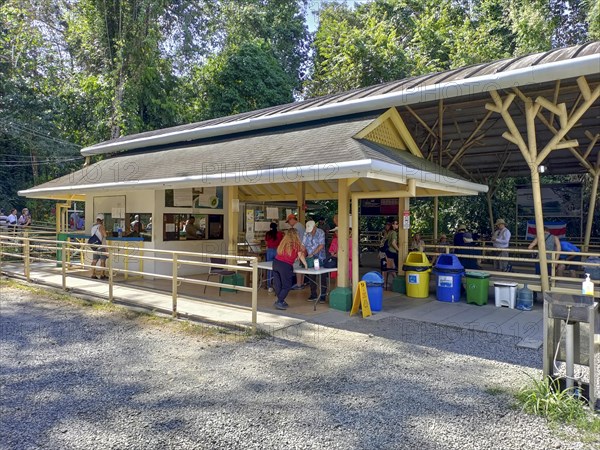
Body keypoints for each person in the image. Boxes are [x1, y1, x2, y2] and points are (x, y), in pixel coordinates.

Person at [272, 228, 307, 310]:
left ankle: (281, 300)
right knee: (287, 285)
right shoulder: (296, 244)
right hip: (285, 265)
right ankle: (279, 301)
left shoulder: (283, 243)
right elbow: (301, 255)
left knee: (278, 284)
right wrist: (305, 264)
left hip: (276, 263)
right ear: (296, 235)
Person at [301, 220, 328, 302]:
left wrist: (313, 253)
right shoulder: (306, 233)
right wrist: (301, 253)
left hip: (320, 258)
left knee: (322, 276)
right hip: (310, 259)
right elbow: (303, 245)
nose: (310, 232)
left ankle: (323, 295)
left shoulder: (320, 232)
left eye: (311, 230)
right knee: (311, 276)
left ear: (315, 227)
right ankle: (313, 294)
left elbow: (321, 245)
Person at [286, 213, 306, 290]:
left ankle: (298, 284)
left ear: (292, 219)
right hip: (302, 248)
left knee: (297, 267)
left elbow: (293, 239)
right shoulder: (301, 225)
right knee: (301, 267)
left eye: (288, 222)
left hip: (298, 249)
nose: (289, 224)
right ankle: (301, 282)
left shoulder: (295, 227)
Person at [264, 222, 284, 292]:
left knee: (269, 268)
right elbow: (282, 242)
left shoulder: (268, 234)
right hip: (277, 250)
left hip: (269, 251)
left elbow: (266, 243)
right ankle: (277, 284)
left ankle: (269, 286)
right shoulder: (279, 234)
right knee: (277, 267)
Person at [90, 214, 108, 279]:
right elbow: (105, 235)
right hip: (101, 246)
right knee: (103, 261)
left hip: (95, 246)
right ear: (102, 220)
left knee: (94, 260)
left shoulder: (93, 227)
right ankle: (102, 275)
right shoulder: (101, 226)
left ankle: (93, 274)